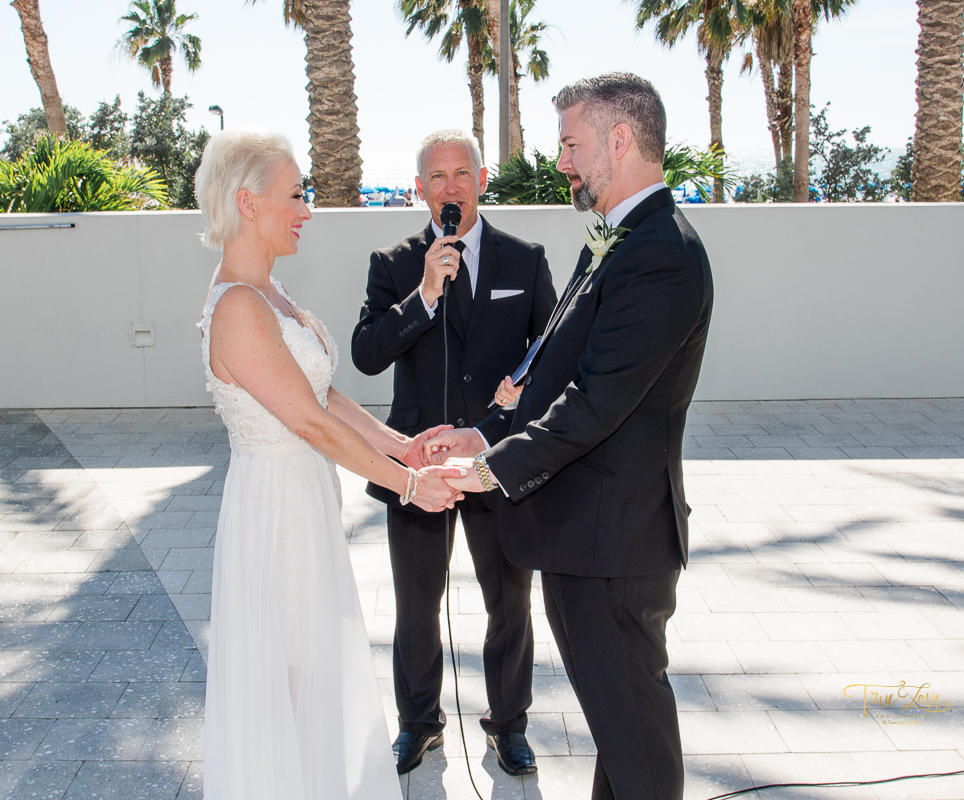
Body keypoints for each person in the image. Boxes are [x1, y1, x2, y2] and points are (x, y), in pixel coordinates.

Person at [425, 74, 714, 800]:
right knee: (620, 736)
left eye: (570, 143)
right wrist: (479, 433)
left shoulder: (660, 254)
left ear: (620, 139)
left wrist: (492, 469)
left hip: (613, 546)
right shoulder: (617, 239)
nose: (562, 162)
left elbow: (596, 401)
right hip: (586, 539)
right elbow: (545, 372)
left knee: (637, 743)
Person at [194, 129, 464, 800]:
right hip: (273, 512)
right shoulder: (236, 307)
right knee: (285, 674)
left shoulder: (272, 294)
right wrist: (408, 485)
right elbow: (308, 423)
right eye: (296, 194)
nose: (306, 210)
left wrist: (400, 444)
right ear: (248, 203)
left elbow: (323, 394)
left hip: (303, 502)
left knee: (312, 670)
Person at [351, 129, 557, 776]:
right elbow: (365, 354)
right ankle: (419, 725)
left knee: (509, 601)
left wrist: (510, 414)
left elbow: (550, 362)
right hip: (416, 463)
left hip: (495, 463)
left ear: (481, 179)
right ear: (419, 189)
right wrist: (425, 296)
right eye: (434, 177)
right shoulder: (393, 264)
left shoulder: (524, 260)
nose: (448, 187)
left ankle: (509, 725)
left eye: (459, 174)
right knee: (416, 604)